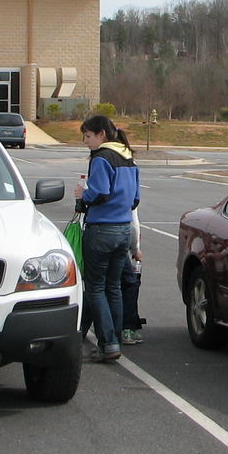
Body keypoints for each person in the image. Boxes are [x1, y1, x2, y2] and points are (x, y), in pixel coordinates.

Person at [74, 114, 141, 362]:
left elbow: (99, 192)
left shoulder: (101, 158)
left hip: (102, 228)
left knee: (96, 287)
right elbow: (135, 199)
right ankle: (115, 339)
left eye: (88, 136)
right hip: (124, 228)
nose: (85, 141)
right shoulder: (128, 157)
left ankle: (107, 342)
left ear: (102, 134)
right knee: (114, 287)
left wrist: (84, 195)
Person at [120, 209, 146, 345]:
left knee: (98, 287)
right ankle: (127, 328)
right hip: (120, 236)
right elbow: (132, 219)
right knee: (129, 284)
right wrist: (135, 249)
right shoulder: (127, 188)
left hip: (93, 234)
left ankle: (82, 326)